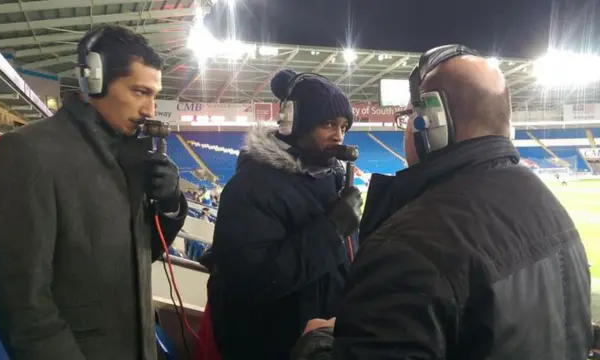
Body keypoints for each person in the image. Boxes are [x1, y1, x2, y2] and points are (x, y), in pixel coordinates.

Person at [291, 45, 591, 360]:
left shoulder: (407, 248)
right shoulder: (552, 209)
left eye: (408, 116)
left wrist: (320, 343)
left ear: (430, 122)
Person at [0, 25, 187, 360]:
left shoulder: (131, 154)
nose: (150, 109)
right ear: (95, 81)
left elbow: (138, 255)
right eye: (139, 92)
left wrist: (170, 203)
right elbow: (20, 301)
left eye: (154, 94)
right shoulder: (26, 153)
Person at [200, 69, 363, 360]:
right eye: (328, 124)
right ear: (293, 124)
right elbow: (254, 280)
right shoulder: (250, 188)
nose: (339, 136)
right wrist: (332, 229)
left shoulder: (333, 179)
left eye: (344, 126)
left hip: (320, 346)